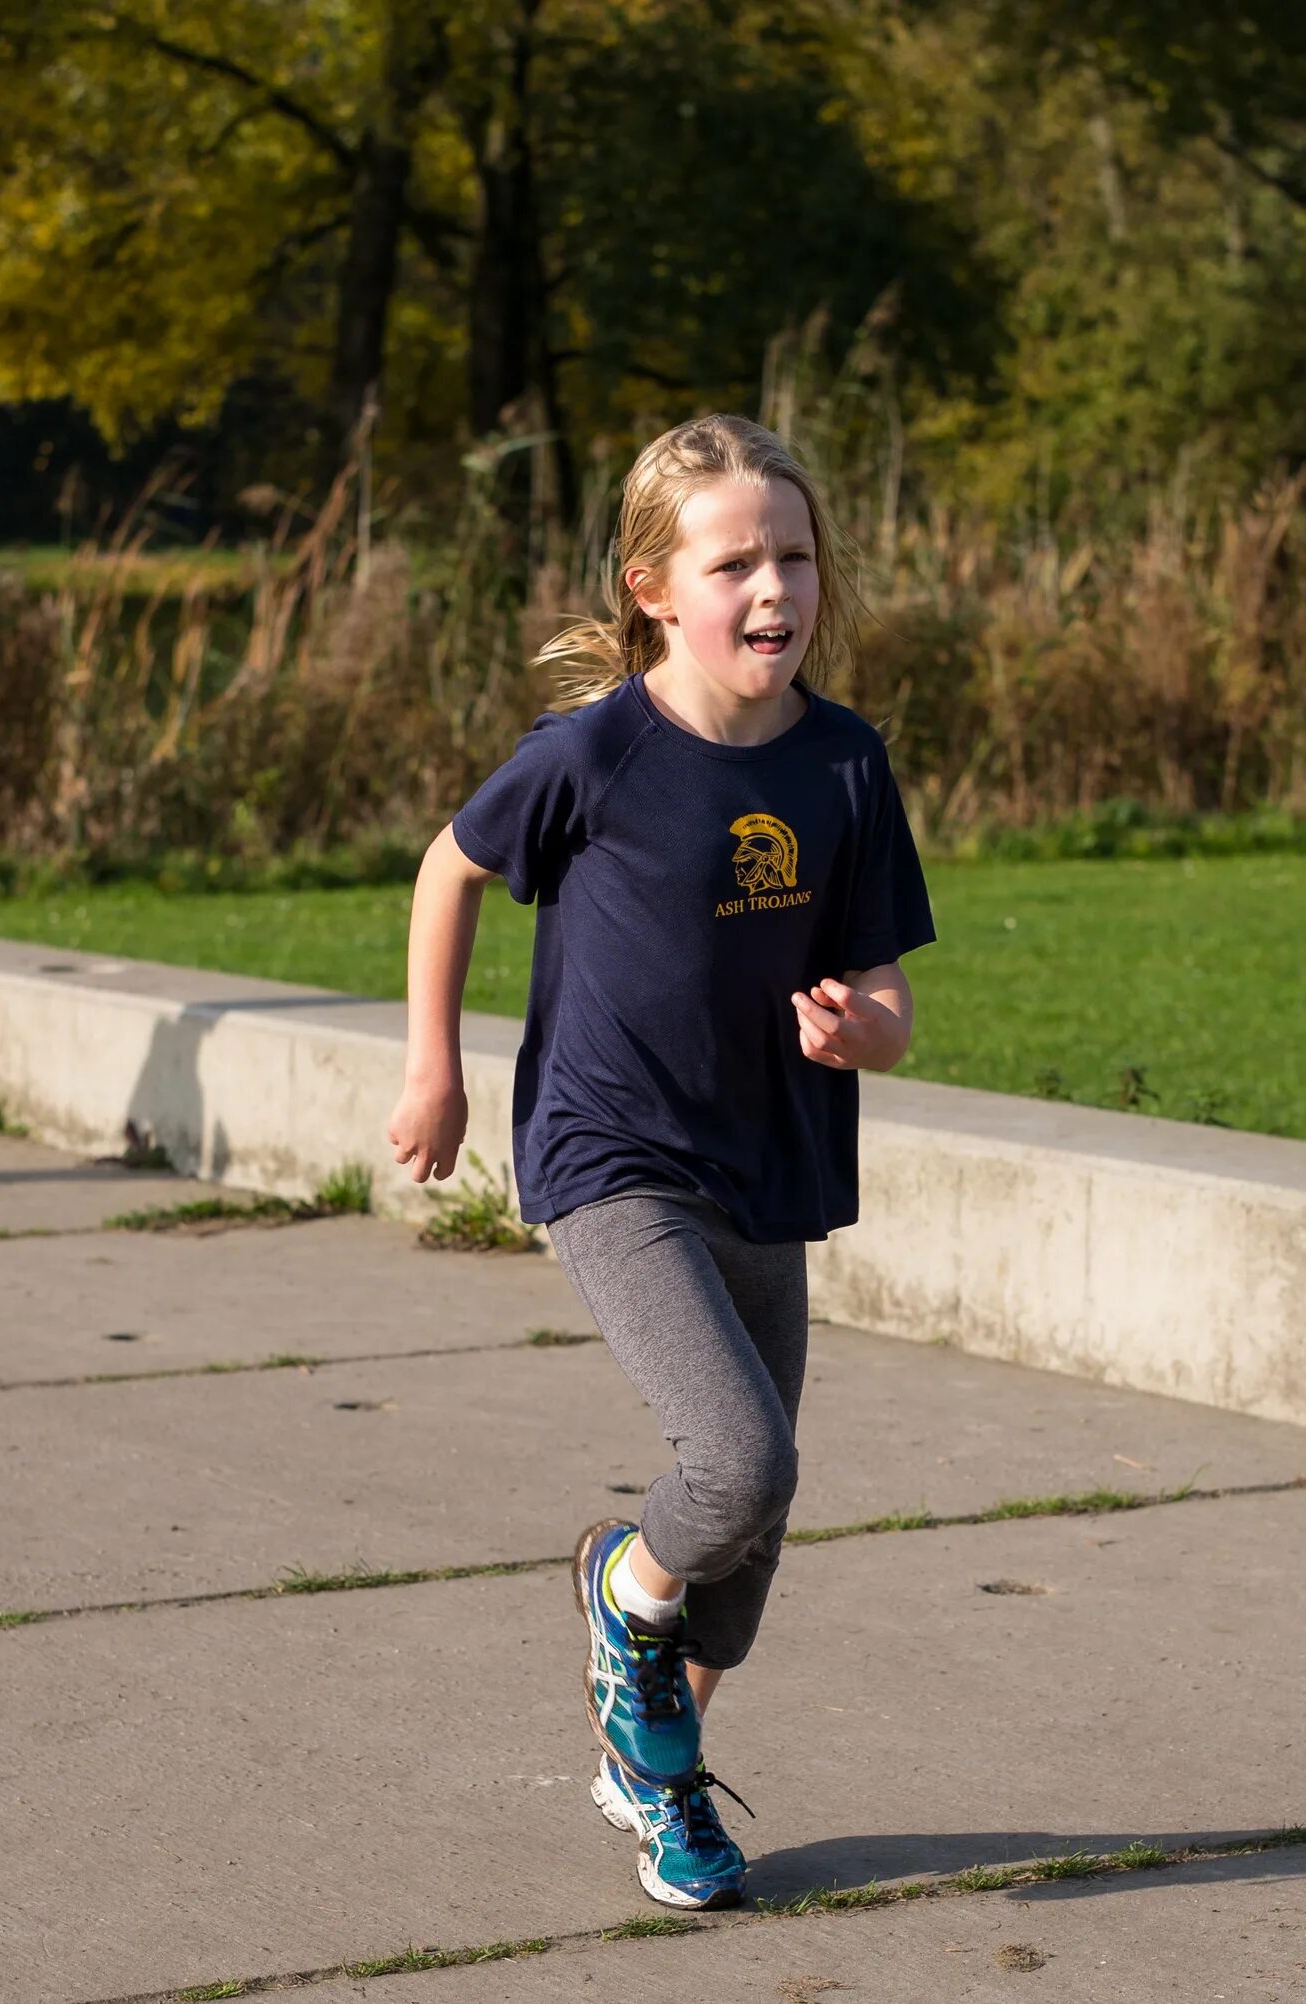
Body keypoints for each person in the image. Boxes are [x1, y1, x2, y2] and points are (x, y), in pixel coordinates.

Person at [385, 413, 935, 1911]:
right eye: (736, 561)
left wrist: (861, 1033)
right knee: (736, 1463)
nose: (777, 589)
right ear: (652, 585)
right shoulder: (598, 752)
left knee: (748, 1555)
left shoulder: (843, 764)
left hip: (772, 1161)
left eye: (798, 557)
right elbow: (452, 866)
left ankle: (650, 1761)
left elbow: (884, 986)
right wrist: (434, 1066)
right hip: (611, 1154)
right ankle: (621, 1586)